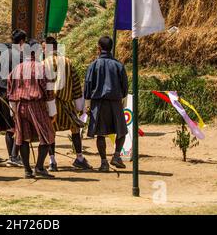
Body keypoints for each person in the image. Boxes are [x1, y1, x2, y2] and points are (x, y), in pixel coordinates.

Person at [7, 39, 57, 179]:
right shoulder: (42, 68)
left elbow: (10, 91)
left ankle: (27, 170)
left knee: (23, 138)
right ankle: (39, 167)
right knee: (48, 135)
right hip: (37, 105)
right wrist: (52, 112)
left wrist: (13, 110)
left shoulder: (17, 68)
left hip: (20, 106)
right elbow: (49, 91)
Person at [43, 37, 92, 171]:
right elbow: (76, 85)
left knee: (50, 132)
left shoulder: (43, 64)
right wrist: (79, 106)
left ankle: (52, 161)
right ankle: (80, 157)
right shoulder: (68, 62)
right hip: (68, 104)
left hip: (50, 105)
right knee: (74, 129)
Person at [84, 36, 128, 172]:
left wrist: (87, 104)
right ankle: (116, 156)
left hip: (99, 103)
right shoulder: (119, 65)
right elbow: (125, 87)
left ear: (99, 48)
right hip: (115, 102)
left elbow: (88, 85)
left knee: (100, 134)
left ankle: (104, 162)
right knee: (122, 131)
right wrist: (123, 101)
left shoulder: (93, 66)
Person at [0, 29, 27, 167]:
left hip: (1, 93)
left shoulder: (3, 54)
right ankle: (13, 156)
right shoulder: (20, 56)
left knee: (8, 126)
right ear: (22, 41)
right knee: (17, 125)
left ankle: (12, 156)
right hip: (13, 94)